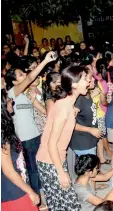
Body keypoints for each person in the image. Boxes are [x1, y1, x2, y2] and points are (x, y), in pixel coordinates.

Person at [36, 65, 90, 210]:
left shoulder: (67, 105)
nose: (89, 82)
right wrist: (61, 172)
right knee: (67, 205)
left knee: (64, 204)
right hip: (50, 161)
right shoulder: (63, 108)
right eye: (85, 79)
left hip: (56, 159)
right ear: (74, 84)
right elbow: (51, 144)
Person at [5, 52, 56, 196]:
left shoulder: (25, 95)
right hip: (25, 138)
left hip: (36, 134)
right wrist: (45, 61)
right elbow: (30, 78)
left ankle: (44, 191)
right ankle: (36, 195)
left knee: (39, 165)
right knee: (32, 168)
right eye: (20, 75)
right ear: (14, 82)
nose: (24, 75)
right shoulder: (11, 93)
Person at [1, 90, 39, 211]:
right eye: (8, 100)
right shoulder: (2, 134)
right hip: (13, 190)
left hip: (18, 183)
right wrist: (30, 191)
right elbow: (8, 170)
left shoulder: (5, 128)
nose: (11, 102)